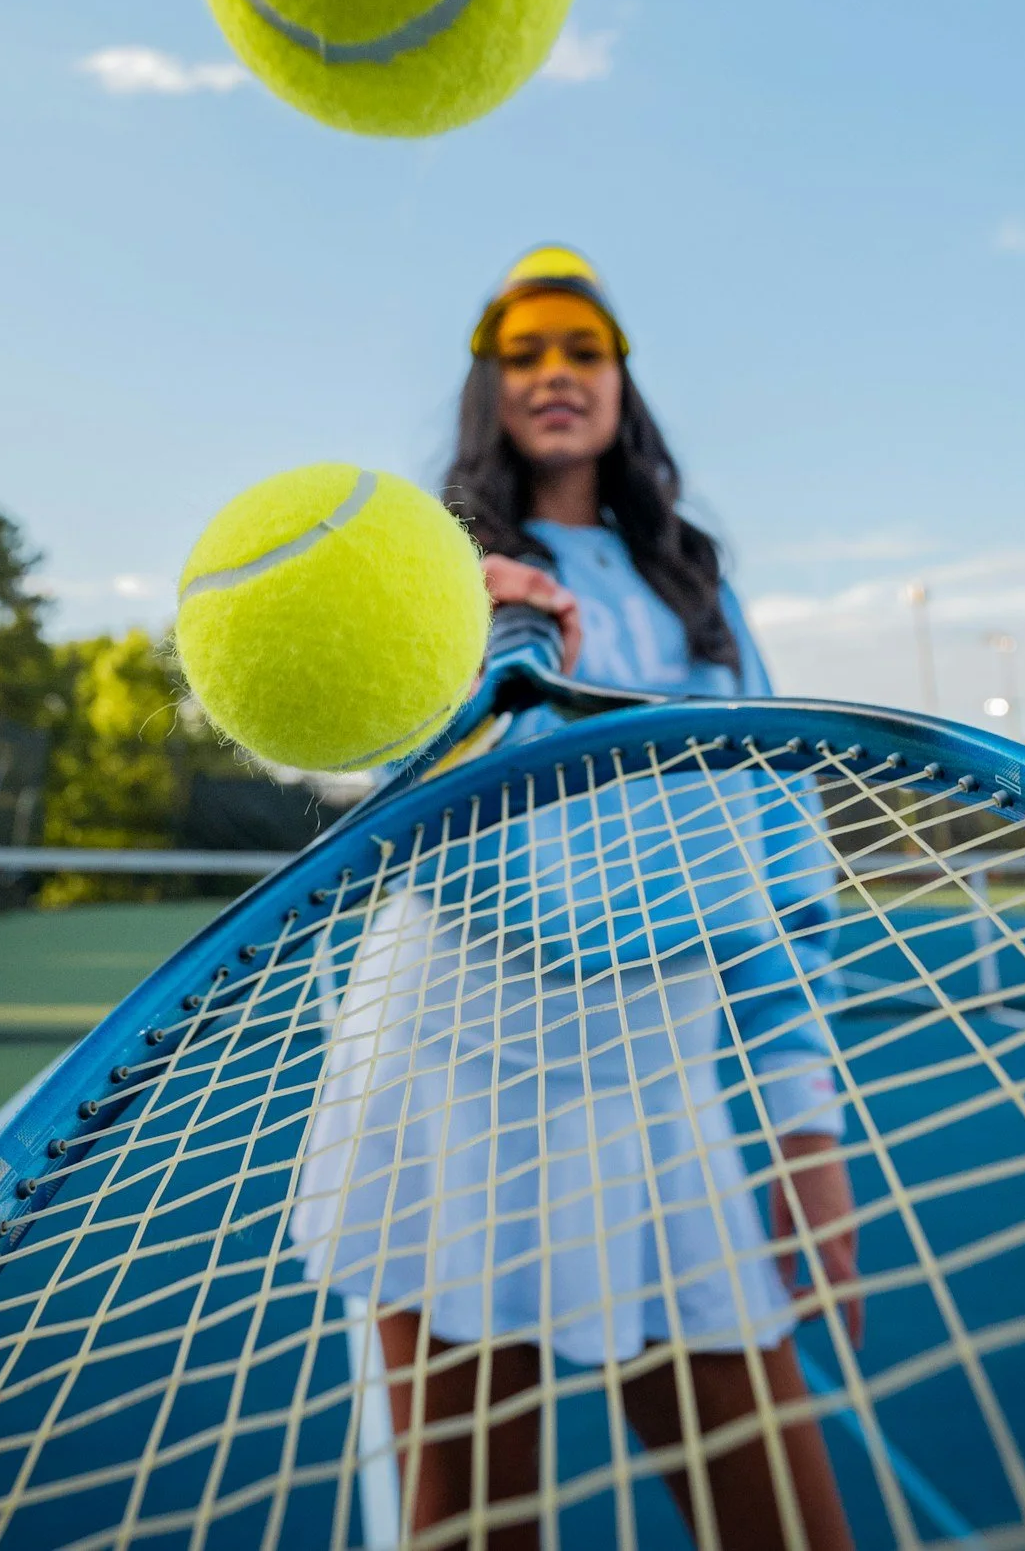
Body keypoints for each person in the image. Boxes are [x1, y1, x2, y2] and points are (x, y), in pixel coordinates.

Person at [293, 246, 860, 1551]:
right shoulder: (427, 567)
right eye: (526, 353)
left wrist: (805, 1129)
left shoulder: (695, 585)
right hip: (456, 1052)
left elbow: (776, 856)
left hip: (653, 1060)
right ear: (490, 388)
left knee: (785, 1519)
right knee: (477, 1525)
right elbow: (390, 783)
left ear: (622, 385)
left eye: (583, 351)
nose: (555, 374)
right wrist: (443, 635)